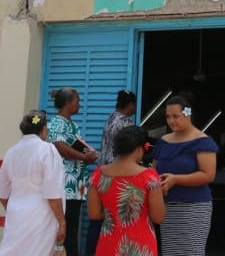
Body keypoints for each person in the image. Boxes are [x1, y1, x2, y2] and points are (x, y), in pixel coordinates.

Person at [151, 94, 219, 256]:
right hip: (167, 207)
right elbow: (153, 171)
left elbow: (208, 175)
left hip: (194, 206)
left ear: (187, 114)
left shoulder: (202, 141)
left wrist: (176, 179)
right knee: (171, 251)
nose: (171, 121)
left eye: (176, 116)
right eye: (168, 117)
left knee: (191, 251)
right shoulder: (163, 141)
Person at [0, 110, 67, 256]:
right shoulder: (47, 150)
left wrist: (14, 209)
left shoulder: (11, 152)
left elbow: (2, 192)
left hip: (16, 213)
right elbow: (52, 193)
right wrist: (62, 222)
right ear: (43, 128)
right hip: (42, 215)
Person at [88, 125, 165, 256]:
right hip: (140, 245)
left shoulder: (98, 175)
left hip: (109, 243)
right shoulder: (150, 177)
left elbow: (94, 214)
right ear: (139, 149)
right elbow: (158, 217)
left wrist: (114, 214)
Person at [84, 89, 138, 255]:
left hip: (102, 174)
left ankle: (91, 251)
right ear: (130, 105)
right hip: (117, 175)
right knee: (115, 217)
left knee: (98, 218)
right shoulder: (126, 124)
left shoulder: (110, 118)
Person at [48, 87, 98, 256]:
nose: (79, 105)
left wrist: (89, 152)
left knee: (72, 228)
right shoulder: (55, 123)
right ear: (68, 102)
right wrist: (85, 158)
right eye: (77, 101)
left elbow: (75, 146)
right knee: (64, 228)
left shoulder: (73, 125)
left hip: (76, 187)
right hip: (64, 187)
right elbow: (59, 146)